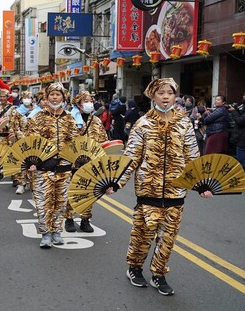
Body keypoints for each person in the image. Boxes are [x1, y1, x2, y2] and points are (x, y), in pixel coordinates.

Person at [106, 78, 212, 296]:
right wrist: (116, 182)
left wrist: (201, 185)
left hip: (176, 191)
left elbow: (193, 157)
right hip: (148, 190)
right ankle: (135, 268)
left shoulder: (183, 123)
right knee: (142, 234)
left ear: (175, 96)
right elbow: (131, 158)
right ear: (152, 95)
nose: (165, 96)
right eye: (161, 92)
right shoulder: (142, 124)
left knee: (168, 237)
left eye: (170, 93)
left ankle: (159, 274)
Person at [26, 82, 79, 248]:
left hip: (64, 168)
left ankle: (57, 230)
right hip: (43, 168)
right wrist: (33, 162)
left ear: (63, 97)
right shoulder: (38, 117)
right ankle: (45, 233)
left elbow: (74, 141)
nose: (55, 97)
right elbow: (31, 142)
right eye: (52, 94)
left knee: (61, 202)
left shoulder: (69, 118)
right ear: (46, 97)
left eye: (58, 94)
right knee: (43, 203)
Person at [65, 91, 108, 233]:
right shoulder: (69, 119)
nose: (89, 103)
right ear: (78, 103)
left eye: (90, 100)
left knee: (89, 192)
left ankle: (85, 219)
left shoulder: (95, 120)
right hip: (73, 163)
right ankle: (69, 218)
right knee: (73, 191)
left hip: (91, 163)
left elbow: (103, 140)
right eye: (86, 101)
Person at [0, 88, 26, 194]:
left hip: (11, 136)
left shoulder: (13, 108)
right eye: (0, 96)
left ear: (7, 97)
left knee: (13, 157)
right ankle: (7, 173)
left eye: (4, 96)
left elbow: (19, 119)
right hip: (0, 136)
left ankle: (17, 179)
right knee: (3, 157)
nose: (2, 98)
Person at [228, 92, 245, 169]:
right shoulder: (243, 107)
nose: (243, 96)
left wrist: (234, 111)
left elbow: (240, 121)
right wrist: (237, 110)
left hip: (242, 139)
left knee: (241, 160)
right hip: (240, 137)